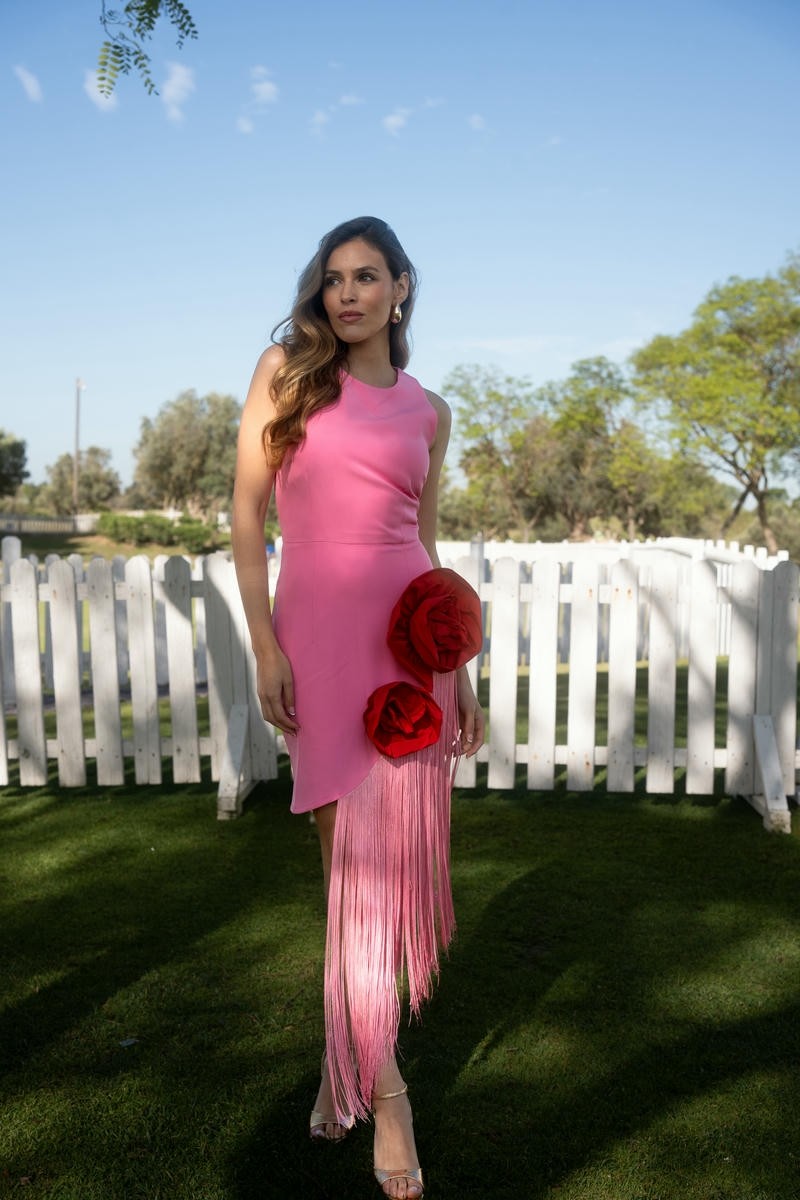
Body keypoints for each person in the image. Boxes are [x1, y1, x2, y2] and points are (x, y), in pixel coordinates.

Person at [231, 216, 485, 1199]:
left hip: (407, 653)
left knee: (383, 885)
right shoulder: (285, 373)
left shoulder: (428, 410)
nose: (345, 294)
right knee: (348, 879)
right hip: (317, 643)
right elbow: (248, 516)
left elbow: (422, 544)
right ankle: (386, 1097)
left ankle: (348, 1074)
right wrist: (263, 643)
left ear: (401, 289)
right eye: (332, 278)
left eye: (365, 277)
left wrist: (454, 668)